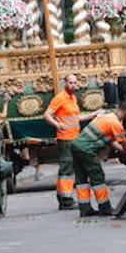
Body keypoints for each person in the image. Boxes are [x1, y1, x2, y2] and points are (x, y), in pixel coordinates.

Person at [43, 74, 98, 210]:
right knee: (66, 169)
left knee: (70, 168)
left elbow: (75, 117)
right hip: (65, 138)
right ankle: (65, 200)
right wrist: (57, 124)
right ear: (65, 83)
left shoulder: (73, 98)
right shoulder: (60, 98)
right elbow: (47, 114)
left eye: (75, 83)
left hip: (74, 137)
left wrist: (92, 115)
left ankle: (64, 198)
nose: (73, 85)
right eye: (71, 83)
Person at [71, 102, 126, 217]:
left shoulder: (107, 117)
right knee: (97, 176)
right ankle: (105, 207)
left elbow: (113, 142)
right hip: (86, 149)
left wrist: (124, 150)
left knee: (81, 178)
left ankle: (85, 208)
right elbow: (124, 145)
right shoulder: (115, 123)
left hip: (76, 145)